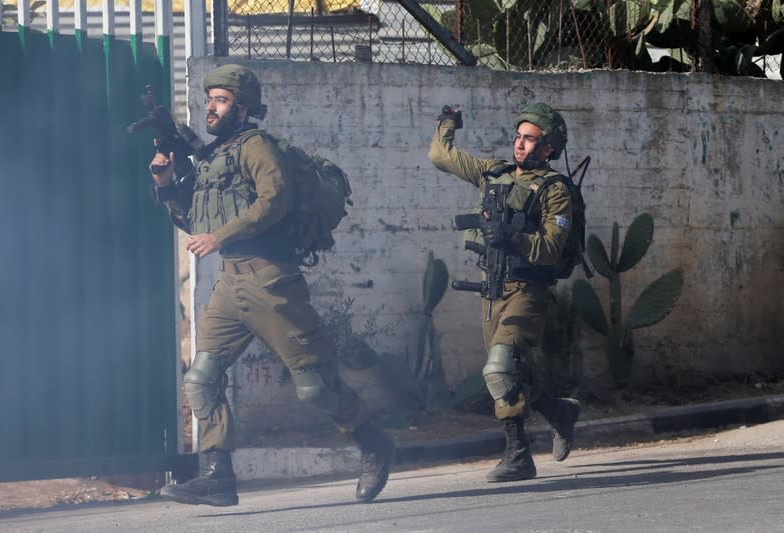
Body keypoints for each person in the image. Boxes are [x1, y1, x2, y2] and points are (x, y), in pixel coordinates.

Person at [148, 64, 394, 506]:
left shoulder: (257, 146)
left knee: (315, 386)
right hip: (230, 284)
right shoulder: (214, 159)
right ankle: (217, 477)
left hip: (271, 281)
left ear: (242, 108)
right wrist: (164, 183)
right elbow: (194, 221)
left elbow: (274, 202)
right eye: (210, 100)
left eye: (221, 100)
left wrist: (220, 236)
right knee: (201, 378)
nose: (211, 107)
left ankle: (374, 442)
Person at [428, 102, 581, 482]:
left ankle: (518, 456)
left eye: (529, 139)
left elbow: (550, 249)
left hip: (527, 289)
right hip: (492, 288)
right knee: (513, 374)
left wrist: (513, 236)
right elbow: (440, 156)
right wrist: (448, 121)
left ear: (548, 148)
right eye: (518, 137)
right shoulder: (492, 173)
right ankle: (559, 411)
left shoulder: (555, 190)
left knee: (498, 369)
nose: (519, 144)